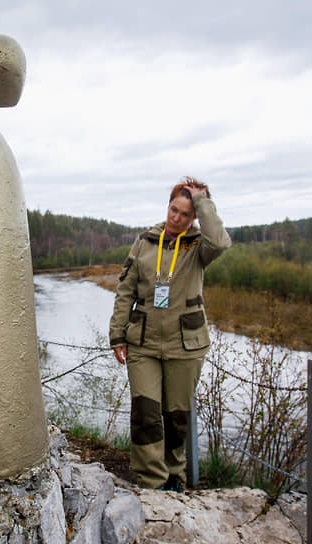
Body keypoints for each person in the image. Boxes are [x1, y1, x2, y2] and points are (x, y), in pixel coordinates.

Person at [109, 176, 231, 491]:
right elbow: (125, 292)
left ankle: (174, 475)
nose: (176, 218)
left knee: (176, 417)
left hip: (184, 345)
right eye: (173, 210)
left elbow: (220, 242)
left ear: (194, 218)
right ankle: (152, 481)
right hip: (143, 343)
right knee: (146, 415)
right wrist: (117, 335)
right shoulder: (145, 241)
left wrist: (203, 201)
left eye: (185, 214)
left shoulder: (199, 247)